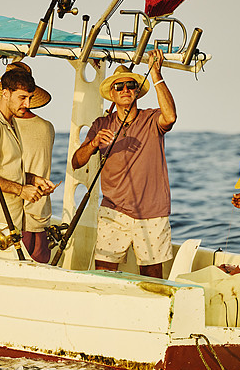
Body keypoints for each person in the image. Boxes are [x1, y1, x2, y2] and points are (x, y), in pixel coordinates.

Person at [71, 49, 176, 279]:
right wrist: (93, 144)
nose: (125, 90)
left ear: (137, 91)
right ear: (112, 93)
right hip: (113, 210)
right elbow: (76, 162)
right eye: (119, 87)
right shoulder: (101, 124)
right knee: (104, 273)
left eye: (130, 85)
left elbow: (170, 117)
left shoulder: (151, 118)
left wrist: (156, 74)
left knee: (152, 276)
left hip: (152, 212)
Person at [0, 67, 56, 249]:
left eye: (30, 98)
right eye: (22, 98)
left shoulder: (10, 122)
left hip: (9, 225)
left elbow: (5, 168)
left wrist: (33, 179)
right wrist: (21, 190)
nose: (28, 104)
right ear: (5, 94)